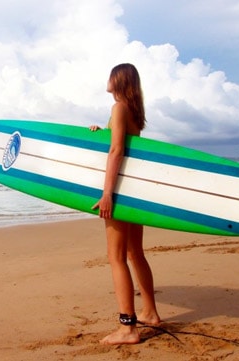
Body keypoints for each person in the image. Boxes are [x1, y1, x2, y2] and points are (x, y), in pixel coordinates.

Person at [90, 63, 161, 345]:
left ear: (117, 80)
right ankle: (150, 313)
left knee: (116, 257)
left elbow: (117, 150)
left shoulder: (118, 107)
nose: (106, 80)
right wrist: (100, 132)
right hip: (134, 191)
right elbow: (120, 143)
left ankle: (128, 327)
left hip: (118, 190)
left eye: (110, 75)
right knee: (135, 253)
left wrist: (107, 194)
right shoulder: (132, 111)